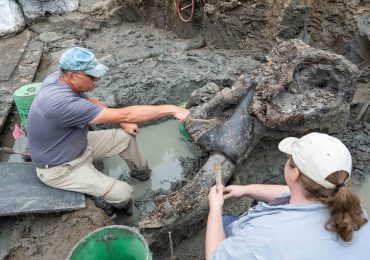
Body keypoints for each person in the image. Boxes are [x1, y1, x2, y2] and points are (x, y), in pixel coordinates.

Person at [27, 47, 190, 213]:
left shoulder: (58, 78)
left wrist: (123, 123)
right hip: (61, 167)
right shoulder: (62, 104)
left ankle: (142, 174)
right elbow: (128, 114)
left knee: (125, 138)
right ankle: (124, 214)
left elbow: (93, 101)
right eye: (91, 76)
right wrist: (172, 109)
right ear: (71, 75)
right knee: (123, 193)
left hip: (76, 144)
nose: (97, 78)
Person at [206, 132, 370, 259]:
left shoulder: (261, 235)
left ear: (294, 174)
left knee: (224, 221)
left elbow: (214, 257)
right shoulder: (353, 208)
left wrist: (215, 209)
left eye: (289, 159)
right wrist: (246, 189)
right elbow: (291, 192)